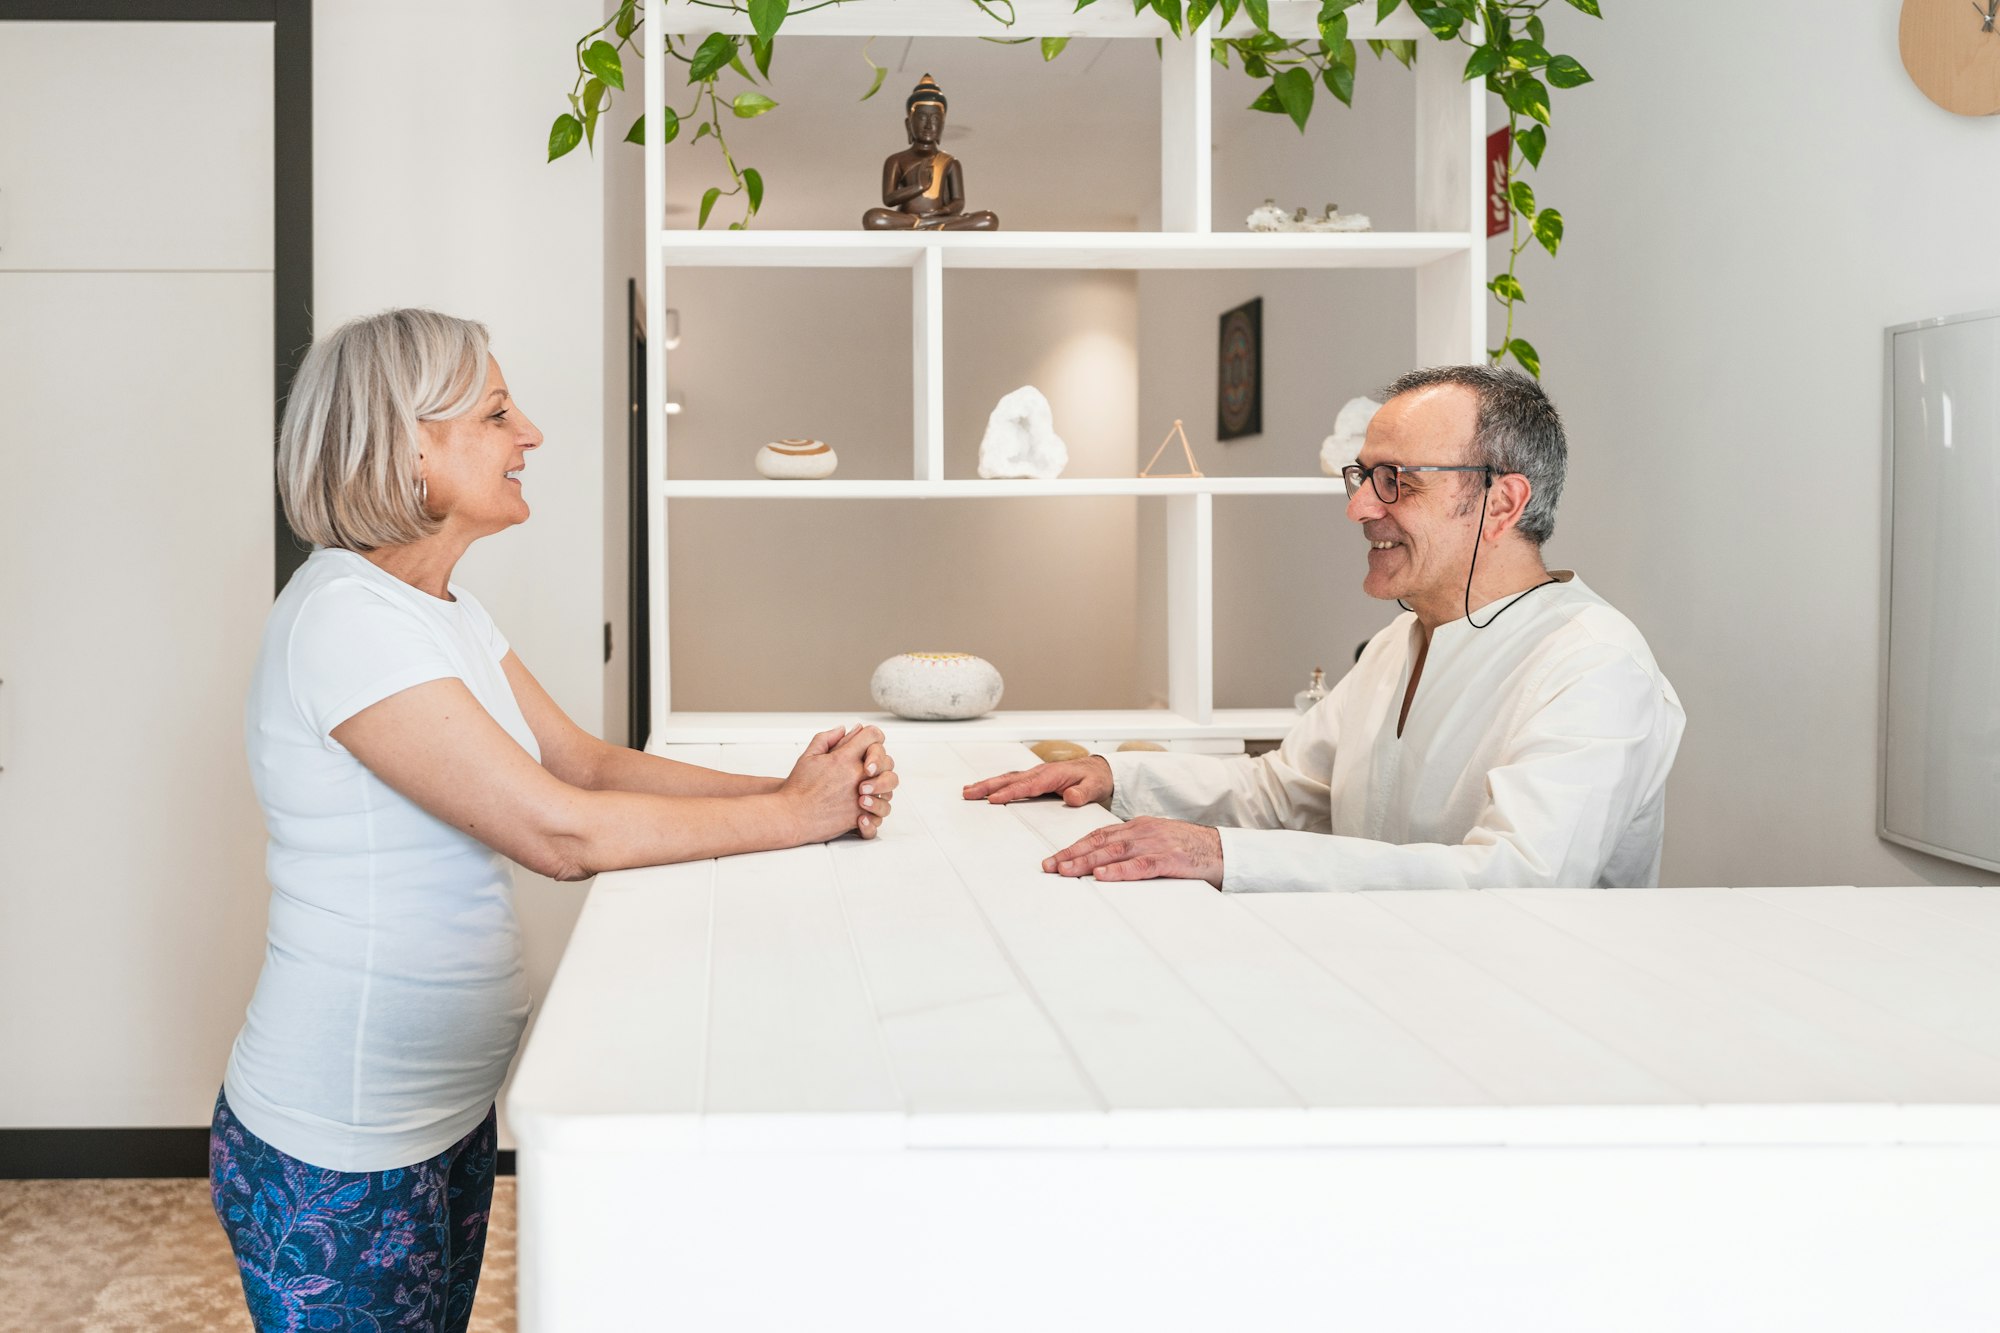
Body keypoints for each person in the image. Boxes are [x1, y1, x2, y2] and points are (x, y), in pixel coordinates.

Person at [209, 308, 898, 1332]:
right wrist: (799, 817)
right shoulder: (346, 621)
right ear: (408, 446)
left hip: (437, 1117)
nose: (529, 432)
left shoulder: (438, 609)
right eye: (496, 413)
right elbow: (560, 833)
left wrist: (789, 790)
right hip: (343, 1142)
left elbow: (585, 761)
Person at [964, 365, 1685, 891]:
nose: (1359, 508)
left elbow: (1515, 880)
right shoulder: (1399, 643)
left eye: (1396, 480)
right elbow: (1283, 794)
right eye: (1361, 477)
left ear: (1502, 503)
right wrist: (1115, 775)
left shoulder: (1593, 663)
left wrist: (1222, 854)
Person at [860, 74, 1000, 231]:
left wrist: (943, 211)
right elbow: (889, 199)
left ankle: (926, 226)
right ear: (908, 124)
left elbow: (958, 201)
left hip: (940, 217)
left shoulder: (950, 162)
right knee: (873, 217)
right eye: (921, 118)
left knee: (989, 219)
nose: (928, 125)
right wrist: (919, 186)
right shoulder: (896, 160)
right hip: (908, 218)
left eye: (935, 119)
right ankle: (932, 227)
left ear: (942, 125)